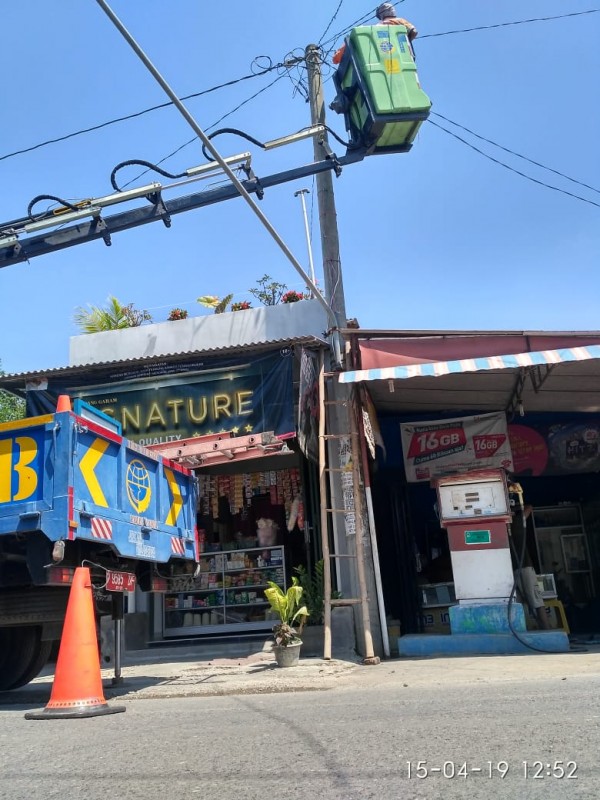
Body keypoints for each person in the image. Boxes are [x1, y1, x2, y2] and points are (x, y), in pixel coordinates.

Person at [332, 3, 418, 65]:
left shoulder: (376, 27)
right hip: (404, 59)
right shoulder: (400, 21)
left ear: (381, 15)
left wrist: (337, 56)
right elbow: (414, 32)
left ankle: (337, 56)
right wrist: (404, 42)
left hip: (382, 60)